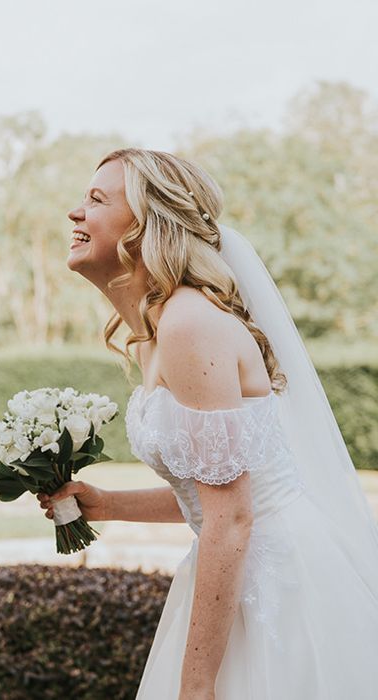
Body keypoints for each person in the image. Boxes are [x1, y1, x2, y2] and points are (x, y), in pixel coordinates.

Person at [40, 148, 378, 699]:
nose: (75, 213)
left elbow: (234, 517)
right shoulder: (158, 331)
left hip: (276, 585)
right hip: (230, 563)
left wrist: (196, 683)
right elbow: (217, 495)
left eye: (96, 199)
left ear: (147, 224)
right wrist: (107, 504)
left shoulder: (189, 324)